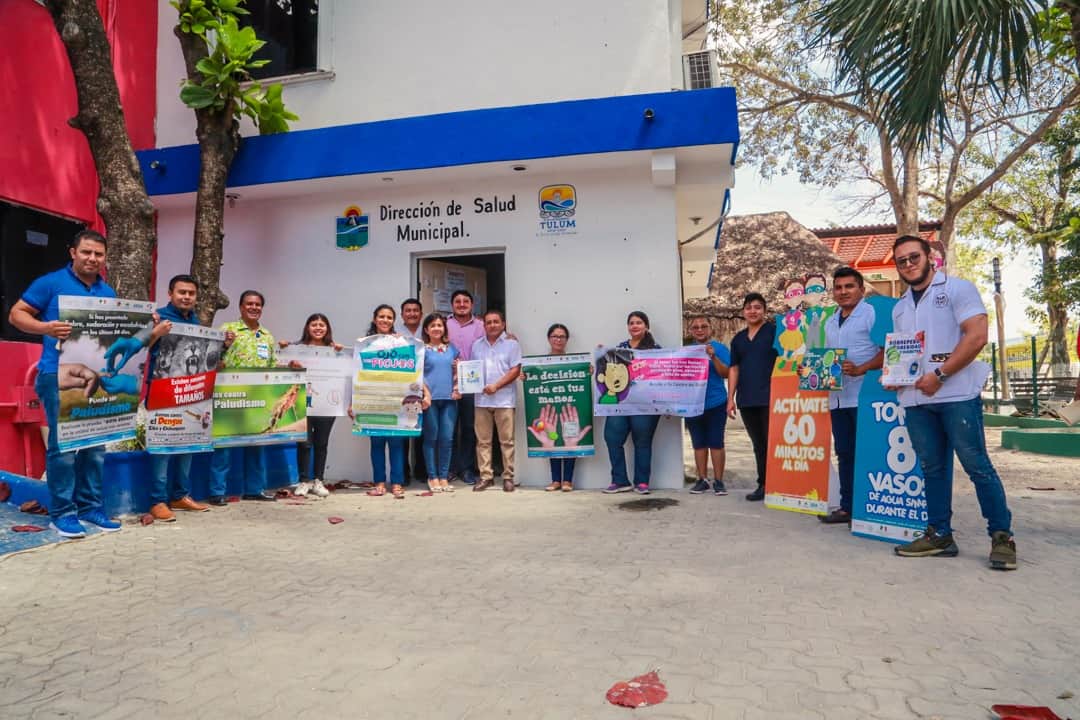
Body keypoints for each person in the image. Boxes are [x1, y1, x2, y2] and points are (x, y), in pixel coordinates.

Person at [888, 235, 1017, 570]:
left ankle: (1002, 536)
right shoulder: (900, 307)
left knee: (977, 467)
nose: (908, 264)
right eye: (901, 261)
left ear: (930, 256)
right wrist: (895, 377)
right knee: (932, 469)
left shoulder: (958, 289)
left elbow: (976, 335)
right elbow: (906, 354)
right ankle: (940, 535)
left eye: (913, 257)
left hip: (956, 396)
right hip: (916, 400)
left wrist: (940, 375)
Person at [8, 230, 126, 537]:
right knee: (63, 449)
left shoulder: (108, 293)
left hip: (95, 378)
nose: (92, 259)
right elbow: (16, 315)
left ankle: (90, 508)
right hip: (56, 376)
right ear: (73, 252)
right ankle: (61, 513)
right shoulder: (50, 283)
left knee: (95, 447)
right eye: (86, 252)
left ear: (104, 258)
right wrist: (45, 327)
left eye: (98, 254)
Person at [145, 275, 212, 522]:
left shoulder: (195, 321)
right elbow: (140, 347)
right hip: (162, 390)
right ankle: (157, 501)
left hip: (191, 391)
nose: (186, 297)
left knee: (187, 444)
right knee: (162, 447)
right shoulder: (157, 317)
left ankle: (180, 495)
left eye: (191, 293)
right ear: (170, 293)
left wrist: (222, 344)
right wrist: (155, 332)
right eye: (181, 292)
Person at [820, 267, 883, 525]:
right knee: (844, 452)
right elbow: (825, 357)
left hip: (863, 397)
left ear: (861, 288)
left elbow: (886, 351)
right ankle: (848, 507)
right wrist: (810, 369)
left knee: (867, 453)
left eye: (849, 286)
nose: (843, 292)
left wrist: (862, 368)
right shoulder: (829, 321)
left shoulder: (871, 314)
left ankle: (869, 509)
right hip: (837, 398)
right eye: (838, 287)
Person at [210, 290, 279, 505]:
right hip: (230, 395)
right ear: (241, 307)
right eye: (249, 304)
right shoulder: (227, 330)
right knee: (224, 447)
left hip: (258, 398)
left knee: (257, 445)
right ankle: (217, 492)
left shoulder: (267, 336)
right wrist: (223, 347)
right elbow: (210, 357)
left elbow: (273, 366)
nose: (254, 307)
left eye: (258, 304)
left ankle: (254, 489)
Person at [280, 313, 343, 499]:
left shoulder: (334, 350)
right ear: (307, 327)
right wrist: (286, 351)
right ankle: (303, 481)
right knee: (304, 444)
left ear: (327, 329)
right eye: (314, 324)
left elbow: (345, 369)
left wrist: (340, 353)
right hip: (303, 403)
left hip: (327, 404)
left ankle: (318, 480)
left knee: (322, 444)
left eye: (321, 325)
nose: (318, 328)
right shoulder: (297, 349)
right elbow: (283, 364)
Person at [601, 311, 662, 495]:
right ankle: (620, 481)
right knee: (612, 438)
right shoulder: (620, 348)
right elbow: (609, 371)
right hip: (621, 402)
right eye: (631, 323)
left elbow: (662, 375)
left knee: (642, 441)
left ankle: (642, 482)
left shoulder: (657, 349)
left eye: (639, 322)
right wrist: (599, 358)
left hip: (646, 405)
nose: (635, 325)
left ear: (646, 326)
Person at [727, 293, 778, 502]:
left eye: (757, 307)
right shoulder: (738, 339)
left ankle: (779, 485)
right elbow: (734, 368)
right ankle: (763, 484)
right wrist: (730, 398)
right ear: (743, 312)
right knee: (758, 443)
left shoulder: (775, 333)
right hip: (747, 398)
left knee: (772, 442)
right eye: (749, 308)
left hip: (772, 397)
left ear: (764, 311)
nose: (753, 311)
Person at [471, 309, 522, 492]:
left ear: (503, 324)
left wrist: (496, 386)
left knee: (506, 441)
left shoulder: (512, 345)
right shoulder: (476, 345)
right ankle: (486, 477)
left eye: (495, 322)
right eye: (488, 322)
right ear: (484, 325)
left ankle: (508, 476)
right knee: (483, 441)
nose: (492, 325)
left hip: (504, 400)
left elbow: (515, 370)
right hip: (481, 401)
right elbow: (471, 371)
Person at [364, 304, 411, 499]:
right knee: (376, 444)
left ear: (394, 321)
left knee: (397, 444)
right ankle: (380, 482)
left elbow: (411, 370)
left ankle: (397, 482)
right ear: (375, 319)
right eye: (381, 317)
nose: (385, 320)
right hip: (373, 401)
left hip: (396, 401)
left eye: (389, 317)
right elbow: (358, 374)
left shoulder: (401, 343)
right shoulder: (365, 344)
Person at [685, 315, 731, 496]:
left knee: (716, 443)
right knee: (698, 444)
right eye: (695, 327)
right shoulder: (686, 351)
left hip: (716, 402)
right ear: (691, 331)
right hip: (692, 404)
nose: (699, 329)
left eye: (703, 326)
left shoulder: (720, 348)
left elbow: (726, 373)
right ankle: (702, 480)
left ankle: (719, 481)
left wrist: (712, 357)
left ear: (710, 329)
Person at [447, 290, 486, 485]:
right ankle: (450, 468)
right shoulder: (444, 324)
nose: (461, 304)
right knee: (450, 428)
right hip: (448, 382)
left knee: (470, 428)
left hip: (473, 382)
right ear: (452, 305)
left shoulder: (481, 325)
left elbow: (495, 340)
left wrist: (510, 336)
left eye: (465, 301)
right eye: (457, 301)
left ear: (472, 304)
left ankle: (467, 469)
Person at [420, 312, 459, 492]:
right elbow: (416, 375)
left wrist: (458, 387)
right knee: (431, 438)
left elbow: (460, 372)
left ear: (444, 329)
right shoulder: (421, 349)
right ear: (427, 329)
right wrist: (425, 395)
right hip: (430, 401)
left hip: (450, 400)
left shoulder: (452, 349)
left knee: (447, 439)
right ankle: (432, 476)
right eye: (433, 325)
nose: (437, 328)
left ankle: (444, 477)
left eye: (439, 325)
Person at [541, 323, 579, 492]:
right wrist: (525, 375)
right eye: (555, 336)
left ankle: (568, 480)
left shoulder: (574, 361)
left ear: (567, 340)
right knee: (552, 437)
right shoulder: (540, 363)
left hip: (568, 408)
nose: (558, 339)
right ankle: (555, 480)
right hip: (549, 407)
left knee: (570, 439)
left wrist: (588, 371)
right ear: (549, 339)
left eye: (561, 336)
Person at [396, 298, 426, 486]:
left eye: (416, 310)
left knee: (422, 431)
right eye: (408, 310)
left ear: (421, 314)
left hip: (424, 385)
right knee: (404, 431)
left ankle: (422, 470)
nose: (412, 313)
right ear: (402, 315)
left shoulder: (428, 331)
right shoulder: (395, 335)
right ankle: (404, 472)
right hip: (402, 388)